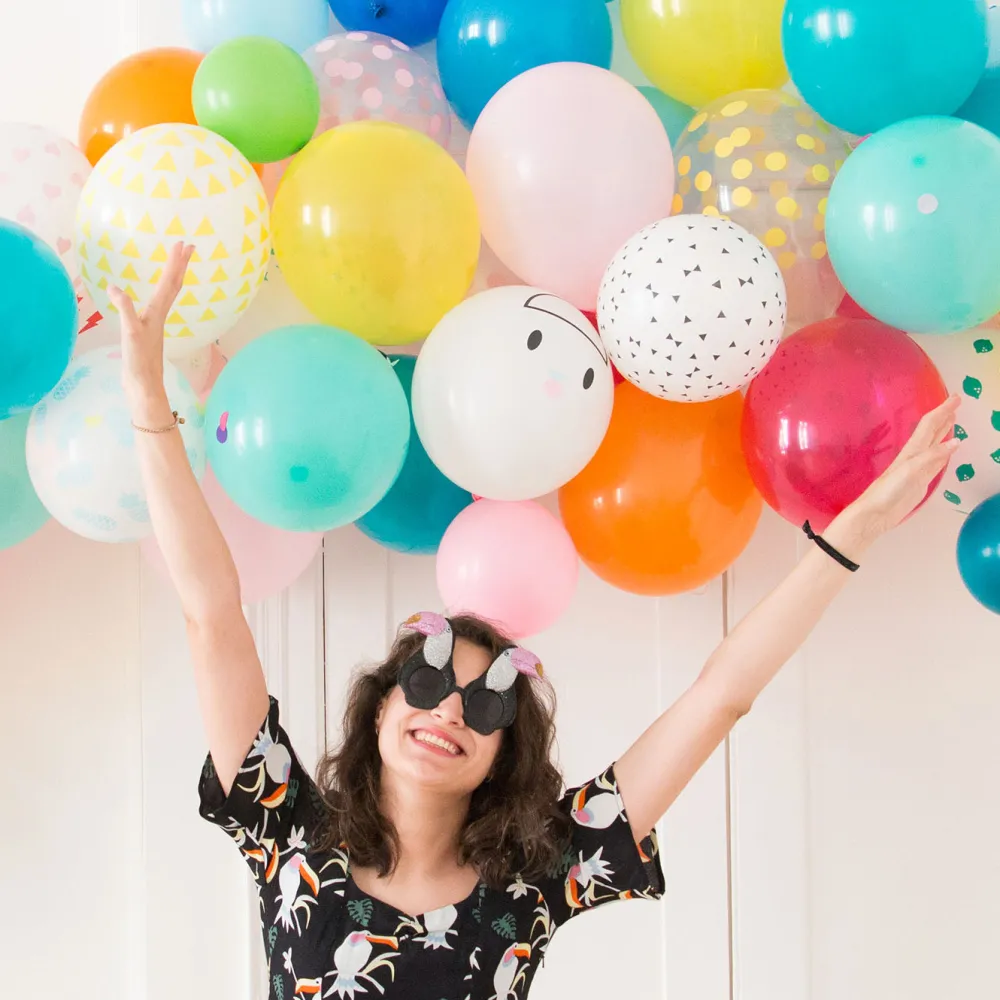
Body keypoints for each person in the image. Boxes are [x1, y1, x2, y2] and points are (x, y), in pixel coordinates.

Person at [111, 245, 960, 1000]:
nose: (450, 709)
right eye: (427, 681)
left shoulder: (540, 874)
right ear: (379, 708)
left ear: (503, 755)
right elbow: (211, 614)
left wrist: (853, 531)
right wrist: (149, 402)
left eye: (486, 704)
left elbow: (721, 694)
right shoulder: (288, 829)